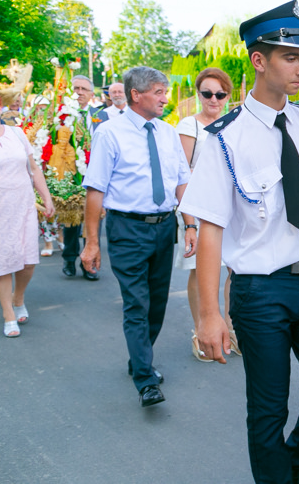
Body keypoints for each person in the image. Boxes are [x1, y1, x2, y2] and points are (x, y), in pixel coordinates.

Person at [180, 0, 299, 484]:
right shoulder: (223, 138)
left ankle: (291, 464)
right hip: (260, 292)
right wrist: (211, 314)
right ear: (259, 61)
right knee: (268, 410)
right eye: (290, 58)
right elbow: (210, 226)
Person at [80, 66, 195, 407]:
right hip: (127, 228)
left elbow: (181, 181)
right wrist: (91, 242)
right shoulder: (109, 133)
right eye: (159, 92)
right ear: (136, 94)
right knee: (136, 303)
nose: (165, 98)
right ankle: (145, 380)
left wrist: (189, 224)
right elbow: (95, 190)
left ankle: (138, 360)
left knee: (157, 304)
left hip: (164, 228)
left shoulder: (167, 132)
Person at [0, 85, 55, 337]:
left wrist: (46, 196)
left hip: (22, 208)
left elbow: (33, 168)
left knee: (28, 261)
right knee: (0, 264)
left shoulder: (16, 133)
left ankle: (18, 297)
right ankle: (7, 312)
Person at [175, 67, 235, 361]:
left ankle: (231, 330)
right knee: (199, 271)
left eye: (220, 94)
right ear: (199, 94)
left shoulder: (234, 123)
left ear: (228, 96)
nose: (214, 99)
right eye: (207, 93)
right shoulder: (190, 125)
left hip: (229, 206)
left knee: (233, 268)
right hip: (197, 209)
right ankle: (202, 331)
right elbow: (181, 174)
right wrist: (189, 223)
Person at [62, 75, 100, 280]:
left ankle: (90, 264)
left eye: (84, 89)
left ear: (91, 94)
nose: (79, 92)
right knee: (71, 220)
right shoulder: (62, 115)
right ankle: (69, 259)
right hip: (70, 175)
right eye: (76, 88)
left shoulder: (101, 116)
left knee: (93, 220)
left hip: (95, 176)